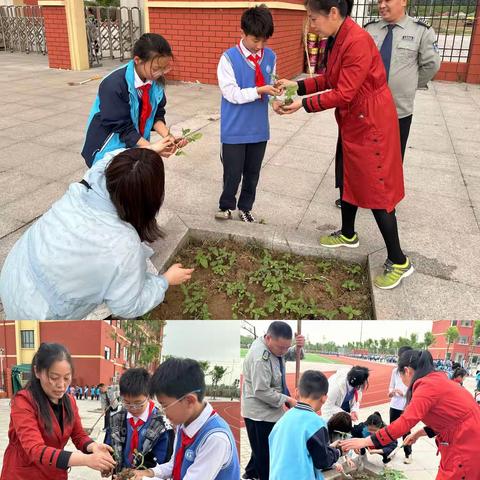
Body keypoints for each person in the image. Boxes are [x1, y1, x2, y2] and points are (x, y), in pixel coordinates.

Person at [275, 0, 413, 290]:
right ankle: (348, 233)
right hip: (354, 120)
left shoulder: (357, 41)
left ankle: (399, 260)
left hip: (371, 122)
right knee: (348, 174)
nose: (311, 25)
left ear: (333, 13)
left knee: (376, 188)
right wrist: (297, 86)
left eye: (313, 18)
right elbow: (331, 78)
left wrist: (303, 104)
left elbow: (345, 92)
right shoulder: (337, 37)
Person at [0, 145, 194, 320]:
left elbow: (109, 158)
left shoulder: (85, 187)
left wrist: (146, 154)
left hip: (14, 273)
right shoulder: (123, 245)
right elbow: (127, 306)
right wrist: (165, 281)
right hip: (37, 313)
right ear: (150, 198)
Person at [340, 350, 480, 479]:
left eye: (400, 376)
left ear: (406, 371)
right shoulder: (436, 379)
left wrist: (365, 441)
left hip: (466, 444)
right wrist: (418, 434)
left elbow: (405, 421)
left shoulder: (427, 386)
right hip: (465, 436)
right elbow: (449, 420)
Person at [0, 343, 116, 480]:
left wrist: (94, 447)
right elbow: (35, 449)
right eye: (54, 378)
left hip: (54, 473)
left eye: (67, 378)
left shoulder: (70, 401)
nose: (61, 385)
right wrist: (86, 460)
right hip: (23, 474)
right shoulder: (24, 401)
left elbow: (79, 435)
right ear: (37, 372)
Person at [82, 33, 187, 167]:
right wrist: (151, 148)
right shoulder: (114, 85)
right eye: (156, 68)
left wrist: (169, 137)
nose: (160, 73)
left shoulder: (155, 83)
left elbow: (156, 115)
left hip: (135, 144)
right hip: (108, 149)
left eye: (164, 68)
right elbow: (122, 128)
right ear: (137, 60)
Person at [215, 5, 280, 223]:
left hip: (259, 129)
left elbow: (270, 87)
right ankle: (226, 206)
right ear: (242, 33)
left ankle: (245, 207)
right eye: (255, 40)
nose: (259, 46)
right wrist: (259, 91)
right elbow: (231, 93)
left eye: (264, 40)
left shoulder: (270, 56)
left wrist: (276, 101)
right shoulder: (228, 58)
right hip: (234, 129)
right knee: (232, 174)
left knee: (252, 174)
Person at [132, 357, 240, 479]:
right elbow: (175, 465)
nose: (164, 413)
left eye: (165, 406)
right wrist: (147, 473)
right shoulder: (183, 423)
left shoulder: (215, 439)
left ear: (189, 400)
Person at [364, 0, 441, 161]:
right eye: (379, 1)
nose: (382, 5)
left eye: (387, 0)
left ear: (404, 1)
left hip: (398, 110)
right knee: (366, 158)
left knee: (393, 160)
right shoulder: (369, 28)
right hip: (367, 108)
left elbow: (431, 65)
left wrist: (410, 84)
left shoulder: (421, 30)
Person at [242, 321, 305, 480]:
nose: (284, 351)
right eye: (282, 348)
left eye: (287, 347)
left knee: (263, 447)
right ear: (269, 338)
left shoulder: (275, 348)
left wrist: (298, 347)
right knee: (266, 456)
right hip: (259, 413)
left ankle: (250, 474)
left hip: (271, 409)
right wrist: (288, 400)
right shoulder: (260, 358)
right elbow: (262, 391)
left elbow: (289, 354)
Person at [269, 370, 343, 479]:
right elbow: (322, 461)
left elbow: (300, 448)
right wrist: (338, 451)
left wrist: (330, 448)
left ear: (297, 392)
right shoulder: (317, 423)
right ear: (324, 398)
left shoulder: (282, 420)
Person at [104, 368, 173, 476]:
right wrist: (107, 465)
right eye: (127, 402)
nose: (133, 408)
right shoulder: (116, 419)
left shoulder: (162, 425)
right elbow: (109, 446)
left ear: (149, 396)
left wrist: (140, 474)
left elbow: (163, 460)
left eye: (138, 403)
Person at [388, 345, 413, 464]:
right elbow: (391, 386)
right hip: (394, 405)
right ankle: (391, 450)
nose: (399, 360)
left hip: (406, 406)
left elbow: (414, 390)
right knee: (392, 429)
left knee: (406, 430)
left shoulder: (412, 372)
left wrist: (403, 394)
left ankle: (408, 454)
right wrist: (391, 392)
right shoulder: (395, 371)